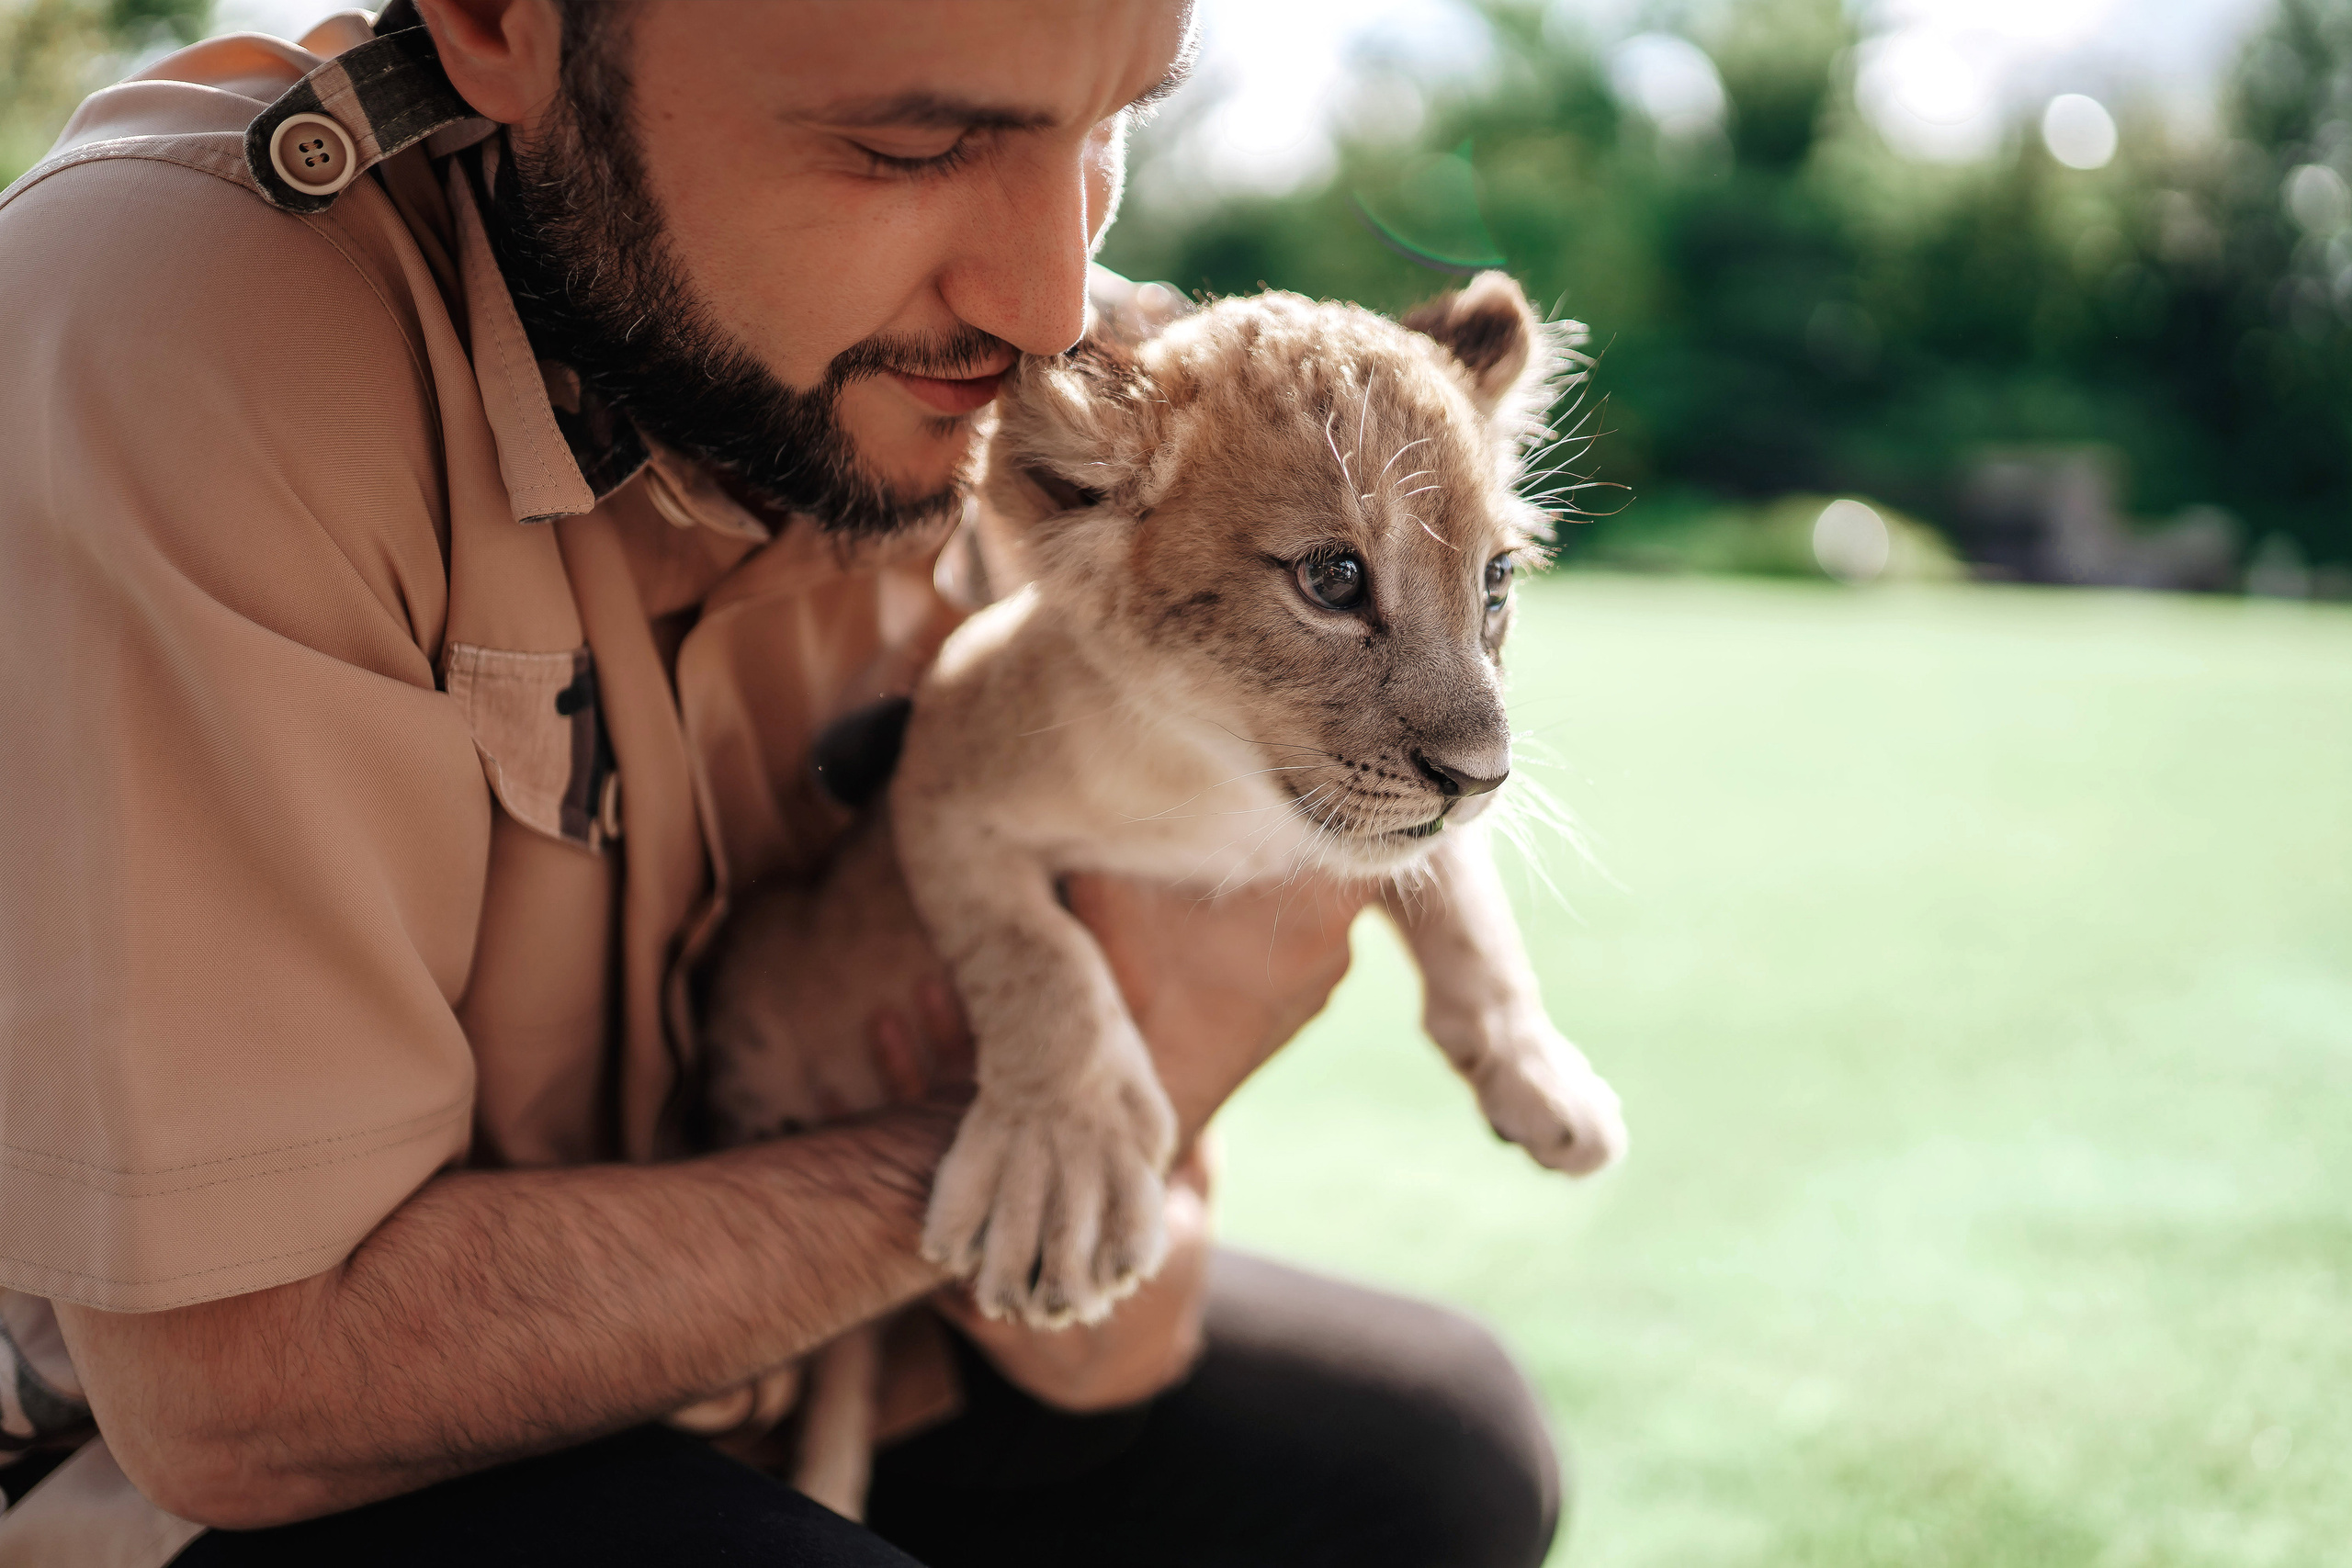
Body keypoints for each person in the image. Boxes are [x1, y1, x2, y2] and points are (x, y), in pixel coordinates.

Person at [0, 2, 1565, 1563]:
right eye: (912, 144)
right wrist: (1016, 1128)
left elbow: (1104, 1351)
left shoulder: (1070, 390)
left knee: (1438, 1458)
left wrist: (1102, 1145)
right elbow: (244, 1395)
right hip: (231, 1469)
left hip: (781, 1355)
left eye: (1109, 127)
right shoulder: (180, 315)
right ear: (497, 21)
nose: (1046, 303)